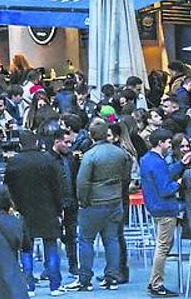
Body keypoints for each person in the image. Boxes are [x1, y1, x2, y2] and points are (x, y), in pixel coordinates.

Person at [67, 119, 133, 292]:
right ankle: (112, 277)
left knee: (86, 241)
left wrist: (82, 201)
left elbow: (82, 182)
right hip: (115, 201)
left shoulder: (90, 155)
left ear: (91, 135)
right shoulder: (120, 153)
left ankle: (85, 279)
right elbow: (126, 175)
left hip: (93, 204)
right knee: (112, 240)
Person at [4, 131, 64, 296]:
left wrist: (12, 208)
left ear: (21, 144)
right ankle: (55, 285)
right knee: (51, 247)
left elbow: (8, 188)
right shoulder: (48, 160)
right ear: (37, 143)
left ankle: (28, 285)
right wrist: (60, 210)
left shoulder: (14, 162)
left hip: (23, 211)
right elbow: (57, 188)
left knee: (25, 250)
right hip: (48, 210)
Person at [140, 127, 191, 297]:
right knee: (162, 248)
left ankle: (154, 282)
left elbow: (163, 175)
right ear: (160, 143)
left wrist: (181, 164)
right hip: (165, 209)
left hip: (155, 207)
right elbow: (165, 188)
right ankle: (156, 284)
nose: (170, 145)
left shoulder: (147, 159)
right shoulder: (158, 162)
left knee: (161, 246)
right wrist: (179, 182)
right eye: (168, 142)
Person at [50, 127, 80, 276]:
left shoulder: (70, 158)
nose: (69, 146)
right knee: (51, 236)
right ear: (57, 142)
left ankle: (73, 264)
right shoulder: (48, 159)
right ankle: (50, 266)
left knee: (71, 235)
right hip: (55, 203)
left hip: (71, 201)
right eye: (66, 142)